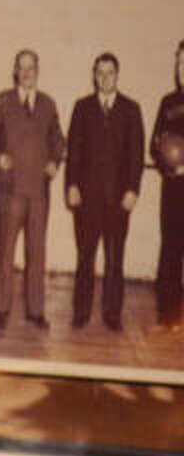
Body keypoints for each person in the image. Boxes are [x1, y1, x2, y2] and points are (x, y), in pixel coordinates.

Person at [65, 52, 144, 332]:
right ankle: (81, 312)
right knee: (85, 258)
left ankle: (112, 314)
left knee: (115, 259)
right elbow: (73, 152)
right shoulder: (82, 107)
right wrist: (71, 186)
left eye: (109, 72)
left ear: (117, 75)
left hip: (118, 200)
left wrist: (133, 189)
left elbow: (136, 155)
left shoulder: (131, 109)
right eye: (99, 72)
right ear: (94, 75)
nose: (104, 77)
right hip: (86, 199)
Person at [0, 50, 65, 331]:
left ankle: (36, 310)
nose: (27, 73)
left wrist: (55, 161)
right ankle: (1, 308)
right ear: (15, 71)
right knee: (5, 252)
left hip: (38, 193)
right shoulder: (2, 101)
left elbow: (58, 139)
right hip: (10, 190)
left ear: (38, 70)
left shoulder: (48, 104)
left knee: (37, 253)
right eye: (21, 68)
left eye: (31, 67)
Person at [150, 41, 184, 333]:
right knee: (170, 250)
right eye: (180, 63)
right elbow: (155, 145)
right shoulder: (167, 102)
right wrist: (167, 163)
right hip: (173, 188)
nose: (182, 69)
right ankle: (168, 315)